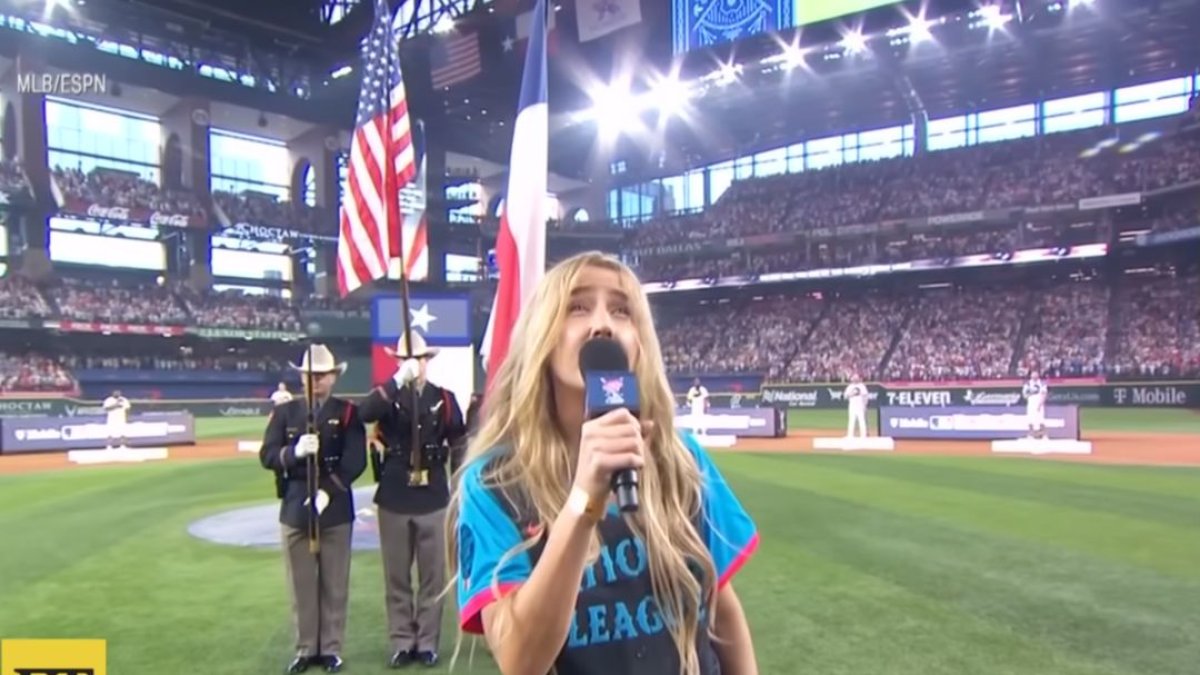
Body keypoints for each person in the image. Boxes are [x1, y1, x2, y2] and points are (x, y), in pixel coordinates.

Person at [447, 252, 760, 675]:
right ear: (542, 336)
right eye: (577, 307)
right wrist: (583, 500)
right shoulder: (495, 483)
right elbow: (520, 660)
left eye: (622, 310)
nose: (602, 325)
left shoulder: (680, 458)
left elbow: (721, 607)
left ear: (639, 344)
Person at [360, 330, 467, 668]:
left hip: (433, 495)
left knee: (433, 576)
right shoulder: (387, 397)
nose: (414, 365)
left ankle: (427, 642)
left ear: (427, 361)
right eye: (408, 360)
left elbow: (459, 443)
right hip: (394, 495)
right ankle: (402, 640)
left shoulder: (445, 399)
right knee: (397, 576)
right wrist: (396, 381)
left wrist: (460, 486)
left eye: (418, 359)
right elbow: (365, 412)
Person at [259, 344, 367, 674]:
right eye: (309, 376)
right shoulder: (285, 413)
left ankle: (331, 647)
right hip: (295, 506)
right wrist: (293, 453)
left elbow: (355, 461)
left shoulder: (347, 413)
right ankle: (307, 648)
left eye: (321, 375)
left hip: (333, 507)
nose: (315, 381)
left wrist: (327, 491)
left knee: (334, 583)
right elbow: (267, 456)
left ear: (333, 378)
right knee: (301, 584)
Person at [1022, 371, 1048, 439]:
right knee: (1030, 419)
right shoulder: (1027, 383)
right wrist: (1030, 394)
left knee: (1041, 419)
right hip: (1031, 403)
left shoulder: (1042, 383)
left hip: (1039, 402)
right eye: (1033, 376)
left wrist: (1040, 404)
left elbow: (1044, 394)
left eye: (1036, 375)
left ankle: (1044, 435)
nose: (1034, 377)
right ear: (1031, 376)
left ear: (1038, 376)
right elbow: (1024, 395)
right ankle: (1031, 434)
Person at [844, 374, 869, 438]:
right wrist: (851, 394)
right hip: (852, 406)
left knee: (862, 421)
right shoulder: (850, 386)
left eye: (856, 378)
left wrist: (865, 405)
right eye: (854, 378)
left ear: (858, 379)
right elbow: (845, 396)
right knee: (851, 421)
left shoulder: (862, 386)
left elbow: (866, 396)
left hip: (860, 406)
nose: (855, 379)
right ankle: (850, 435)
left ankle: (863, 435)